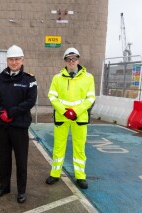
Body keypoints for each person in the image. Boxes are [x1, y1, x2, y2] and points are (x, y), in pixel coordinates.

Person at [0, 45, 37, 203]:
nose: (14, 62)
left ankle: (21, 191)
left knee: (21, 160)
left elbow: (30, 101)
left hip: (19, 126)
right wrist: (1, 113)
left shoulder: (29, 80)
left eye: (17, 59)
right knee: (4, 158)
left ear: (22, 60)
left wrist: (10, 113)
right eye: (11, 59)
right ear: (7, 60)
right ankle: (4, 187)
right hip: (3, 126)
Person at [45, 47, 95, 189]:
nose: (71, 61)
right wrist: (65, 111)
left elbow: (90, 98)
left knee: (79, 148)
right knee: (58, 147)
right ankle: (55, 173)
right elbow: (52, 96)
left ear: (78, 59)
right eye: (68, 59)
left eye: (74, 58)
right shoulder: (57, 78)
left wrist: (76, 111)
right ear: (65, 60)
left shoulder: (88, 78)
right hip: (62, 117)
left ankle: (80, 176)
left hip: (79, 118)